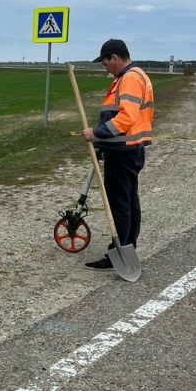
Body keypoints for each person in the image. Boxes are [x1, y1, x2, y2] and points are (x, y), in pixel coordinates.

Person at [81, 39, 154, 270]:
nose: (105, 67)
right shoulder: (134, 75)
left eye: (105, 63)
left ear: (114, 57)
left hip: (124, 151)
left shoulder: (130, 78)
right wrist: (104, 144)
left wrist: (96, 133)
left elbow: (126, 118)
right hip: (129, 149)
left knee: (120, 204)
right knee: (130, 200)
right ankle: (128, 247)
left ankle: (119, 252)